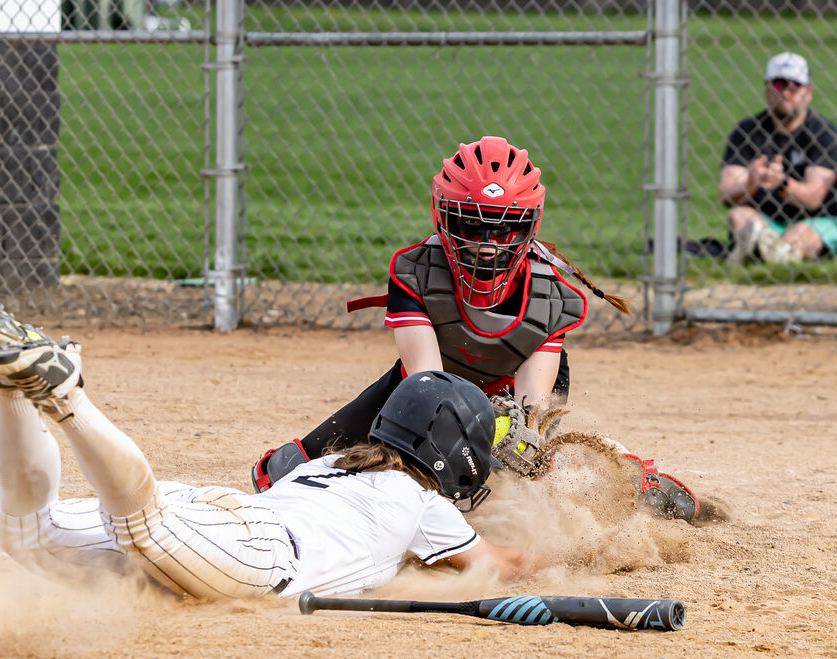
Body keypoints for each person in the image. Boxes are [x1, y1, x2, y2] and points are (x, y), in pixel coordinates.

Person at [250, 136, 701, 522]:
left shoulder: (549, 295)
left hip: (509, 390)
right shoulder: (417, 271)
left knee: (528, 459)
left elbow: (530, 408)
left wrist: (514, 435)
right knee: (281, 470)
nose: (486, 244)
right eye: (471, 224)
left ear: (529, 228)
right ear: (443, 215)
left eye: (504, 230)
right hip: (428, 383)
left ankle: (629, 475)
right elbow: (425, 383)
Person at [0, 302, 544, 600]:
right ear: (450, 451)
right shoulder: (424, 507)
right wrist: (581, 550)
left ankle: (11, 390)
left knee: (27, 534)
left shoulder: (331, 462)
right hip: (260, 556)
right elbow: (503, 565)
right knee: (140, 525)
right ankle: (68, 398)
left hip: (220, 517)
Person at [721, 52, 837, 267]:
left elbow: (813, 198)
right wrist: (750, 184)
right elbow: (727, 194)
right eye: (778, 84)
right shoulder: (747, 131)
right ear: (767, 90)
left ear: (808, 92)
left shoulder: (824, 134)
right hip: (768, 221)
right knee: (739, 215)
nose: (785, 92)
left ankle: (769, 252)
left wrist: (782, 183)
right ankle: (766, 248)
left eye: (794, 86)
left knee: (800, 232)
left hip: (816, 220)